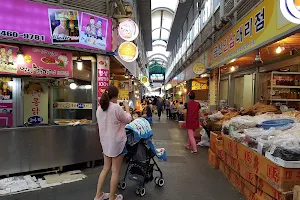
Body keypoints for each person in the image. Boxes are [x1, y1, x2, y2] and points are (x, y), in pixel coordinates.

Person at [95, 85, 132, 200]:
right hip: (117, 143)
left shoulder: (100, 108)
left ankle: (98, 195)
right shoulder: (116, 108)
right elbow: (128, 119)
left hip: (105, 143)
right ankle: (112, 197)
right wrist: (126, 107)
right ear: (115, 96)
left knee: (105, 169)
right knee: (115, 171)